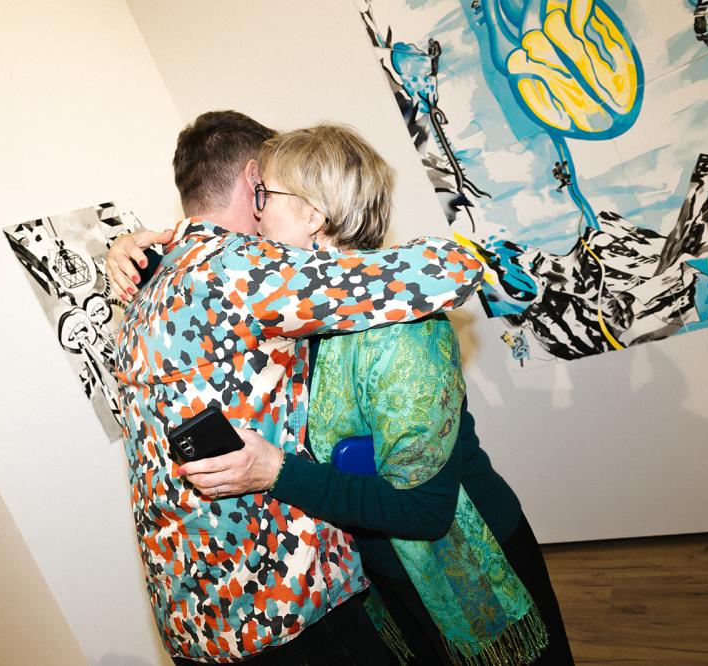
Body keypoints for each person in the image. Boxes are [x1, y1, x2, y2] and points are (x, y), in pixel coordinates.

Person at [114, 125, 573, 664]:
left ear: (313, 213)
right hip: (381, 573)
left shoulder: (403, 329)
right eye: (256, 196)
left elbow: (425, 510)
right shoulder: (293, 309)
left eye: (267, 197)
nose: (256, 215)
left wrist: (277, 472)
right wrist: (154, 249)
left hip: (467, 557)